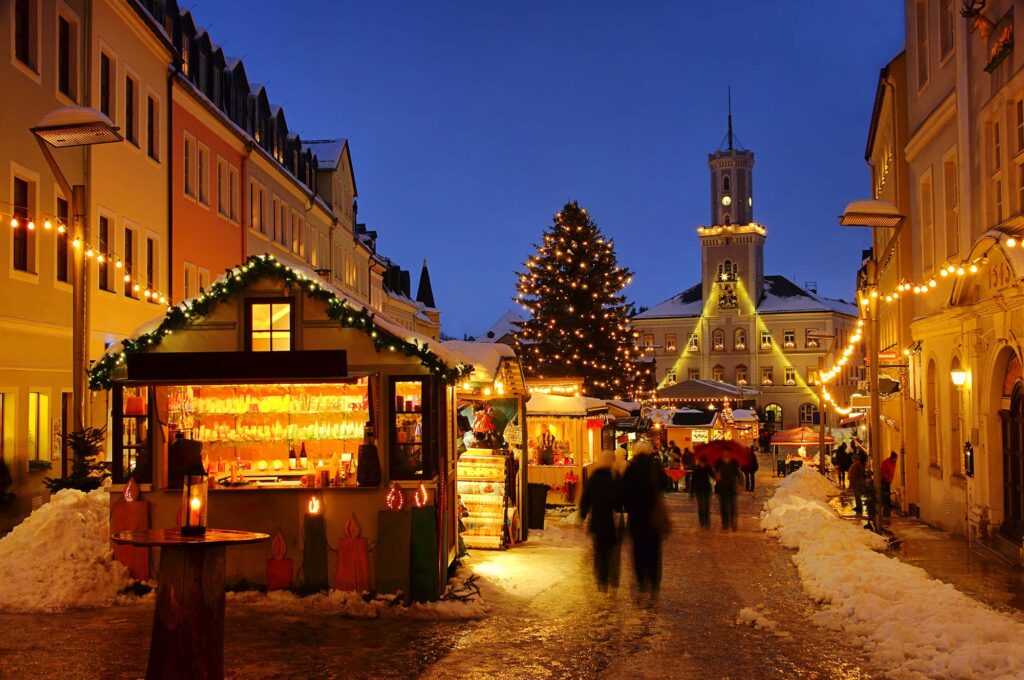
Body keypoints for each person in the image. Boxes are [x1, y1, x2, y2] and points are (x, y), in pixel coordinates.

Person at [622, 441, 666, 595]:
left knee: (638, 551)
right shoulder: (655, 467)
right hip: (653, 517)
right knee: (653, 552)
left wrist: (628, 506)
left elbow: (624, 492)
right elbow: (665, 484)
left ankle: (641, 581)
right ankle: (654, 582)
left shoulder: (631, 469)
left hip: (637, 518)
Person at [579, 450, 622, 591]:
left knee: (599, 550)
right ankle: (607, 575)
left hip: (597, 518)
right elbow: (618, 498)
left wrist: (583, 514)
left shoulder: (595, 477)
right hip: (609, 519)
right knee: (609, 549)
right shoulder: (613, 477)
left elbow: (586, 497)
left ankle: (601, 577)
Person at [714, 449, 742, 531]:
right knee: (723, 506)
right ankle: (725, 522)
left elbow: (738, 474)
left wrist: (740, 484)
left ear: (730, 453)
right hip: (721, 488)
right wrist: (716, 476)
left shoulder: (734, 463)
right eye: (724, 452)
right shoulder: (718, 463)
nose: (725, 454)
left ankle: (733, 522)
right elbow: (715, 473)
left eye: (727, 453)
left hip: (731, 488)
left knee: (732, 506)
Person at [690, 455, 714, 528]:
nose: (702, 464)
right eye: (701, 462)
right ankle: (702, 521)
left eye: (704, 463)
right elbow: (693, 481)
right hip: (699, 490)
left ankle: (707, 521)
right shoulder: (696, 469)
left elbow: (713, 476)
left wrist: (716, 475)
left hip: (707, 489)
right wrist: (691, 492)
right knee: (701, 506)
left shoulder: (708, 468)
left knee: (707, 506)